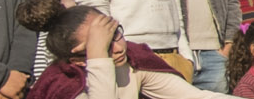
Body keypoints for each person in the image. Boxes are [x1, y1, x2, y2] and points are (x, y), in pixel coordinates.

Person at [18, 5, 224, 99]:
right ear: (77, 60)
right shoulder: (65, 85)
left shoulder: (134, 59)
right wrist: (99, 58)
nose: (118, 49)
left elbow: (195, 97)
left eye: (116, 34)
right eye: (104, 46)